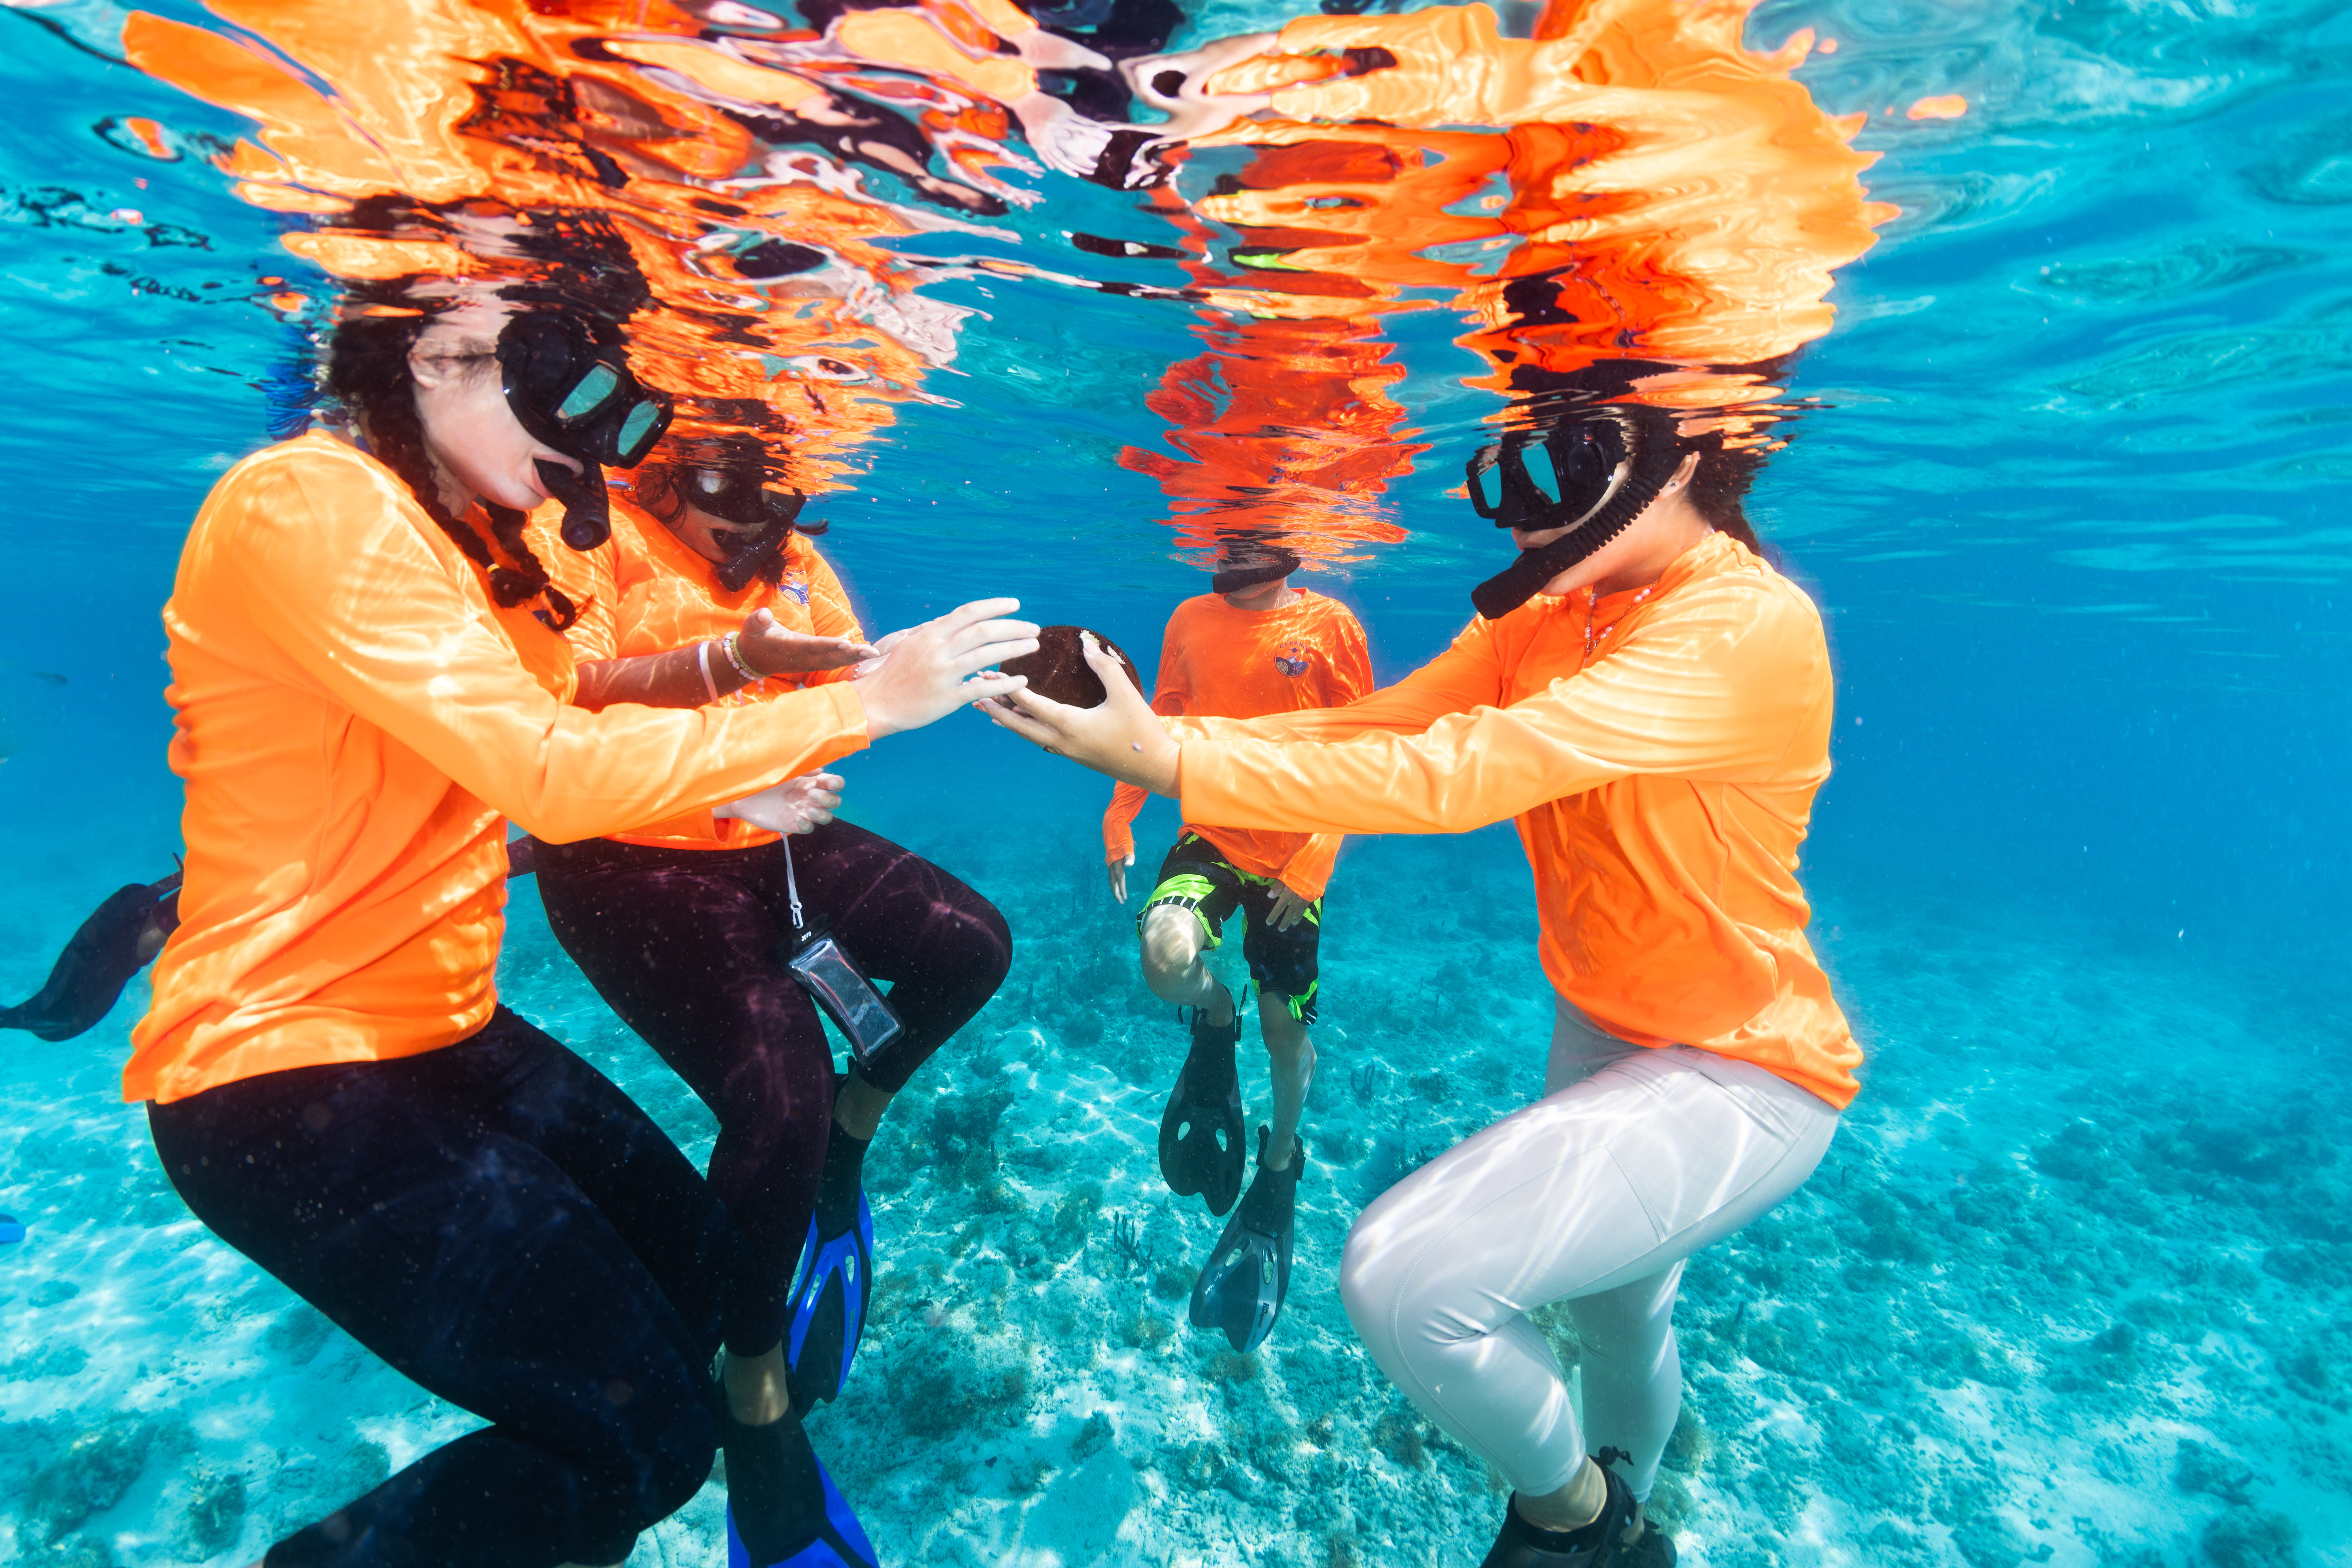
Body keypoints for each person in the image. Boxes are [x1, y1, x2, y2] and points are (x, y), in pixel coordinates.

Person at [134, 244, 1036, 1568]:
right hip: (272, 1067)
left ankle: (748, 1441)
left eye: (602, 406)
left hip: (443, 1033)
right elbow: (549, 778)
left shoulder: (468, 540)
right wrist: (864, 702)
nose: (589, 455)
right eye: (556, 385)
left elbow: (573, 697)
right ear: (428, 356)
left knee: (720, 1278)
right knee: (643, 1441)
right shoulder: (315, 505)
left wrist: (743, 657)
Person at [987, 394, 1859, 1568]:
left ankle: (1585, 1529)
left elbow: (1479, 770)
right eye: (1506, 469)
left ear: (1688, 448)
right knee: (1620, 1322)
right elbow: (1373, 728)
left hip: (1750, 1067)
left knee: (1407, 1280)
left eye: (1565, 461)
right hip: (1605, 1028)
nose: (1520, 513)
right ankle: (1621, 1516)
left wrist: (1171, 757)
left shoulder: (1747, 624)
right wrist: (1158, 744)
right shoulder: (1544, 622)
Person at [519, 430, 1013, 1564]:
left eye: (777, 496)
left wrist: (865, 695)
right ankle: (753, 1397)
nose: (754, 524)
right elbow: (555, 703)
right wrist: (741, 740)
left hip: (768, 845)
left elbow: (839, 689)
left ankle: (856, 1135)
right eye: (722, 494)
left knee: (973, 946)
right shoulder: (594, 540)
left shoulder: (795, 561)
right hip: (617, 857)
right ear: (666, 469)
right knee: (778, 1093)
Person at [1102, 536, 1372, 1353]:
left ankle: (1280, 1162)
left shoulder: (1333, 626)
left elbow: (1367, 750)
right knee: (1164, 953)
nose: (1234, 541)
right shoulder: (1189, 617)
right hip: (1212, 833)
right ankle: (1217, 1015)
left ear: (1295, 543)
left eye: (1256, 529)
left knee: (1288, 1035)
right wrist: (1123, 811)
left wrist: (1318, 857)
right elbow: (1163, 726)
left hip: (1296, 855)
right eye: (1225, 526)